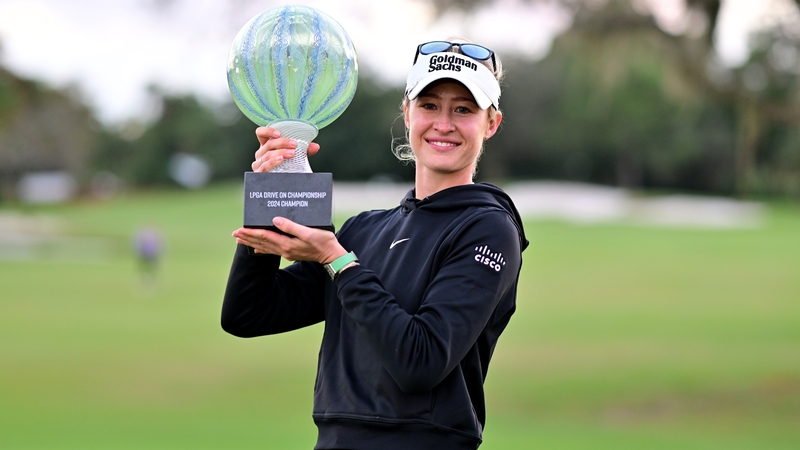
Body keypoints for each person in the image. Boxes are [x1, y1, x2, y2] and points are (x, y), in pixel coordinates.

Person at [222, 39, 529, 449]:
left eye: (463, 109)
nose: (443, 123)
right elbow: (248, 313)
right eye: (429, 105)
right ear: (407, 113)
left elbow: (420, 361)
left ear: (491, 123)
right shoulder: (364, 231)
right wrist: (273, 195)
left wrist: (336, 259)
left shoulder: (487, 229)